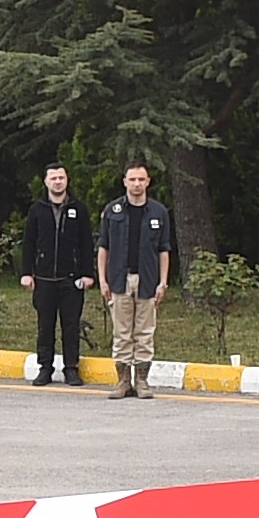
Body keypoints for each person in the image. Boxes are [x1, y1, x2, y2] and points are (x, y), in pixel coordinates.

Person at [95, 161, 175, 398]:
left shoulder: (159, 212)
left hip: (147, 280)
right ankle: (122, 381)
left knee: (145, 331)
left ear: (148, 182)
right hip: (119, 280)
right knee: (121, 332)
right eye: (132, 179)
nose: (137, 184)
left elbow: (164, 249)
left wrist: (163, 282)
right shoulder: (112, 211)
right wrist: (102, 279)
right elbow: (103, 247)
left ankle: (142, 381)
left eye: (141, 179)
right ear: (125, 182)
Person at [20, 164, 96, 388]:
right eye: (53, 178)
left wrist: (87, 273)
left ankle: (71, 368)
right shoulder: (37, 210)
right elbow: (29, 243)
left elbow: (86, 243)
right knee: (45, 325)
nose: (57, 182)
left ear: (67, 180)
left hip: (71, 279)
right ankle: (45, 368)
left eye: (61, 177)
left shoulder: (78, 209)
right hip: (44, 279)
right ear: (45, 182)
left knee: (71, 325)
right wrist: (26, 273)